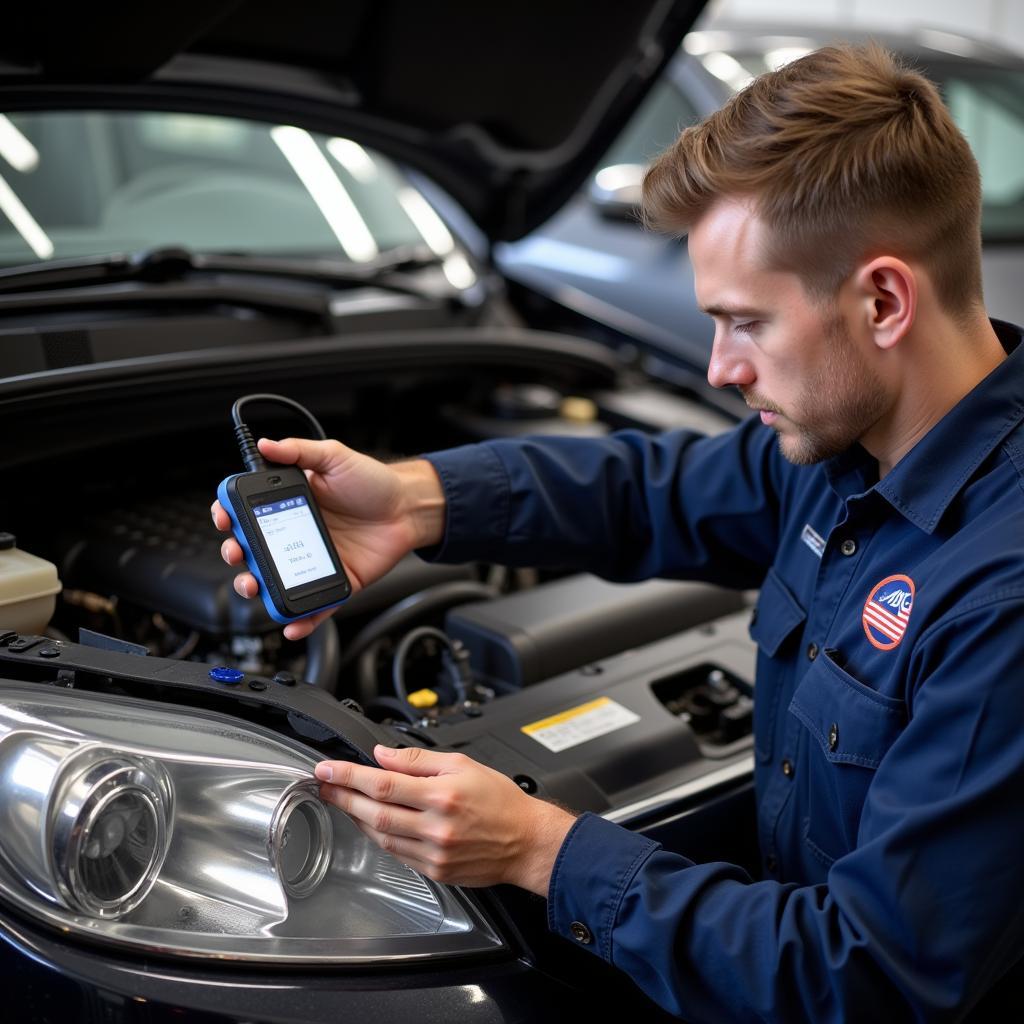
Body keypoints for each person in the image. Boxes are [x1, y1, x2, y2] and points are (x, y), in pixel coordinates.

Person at [212, 44, 1024, 1022]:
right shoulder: (859, 446)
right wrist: (417, 499)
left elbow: (862, 973)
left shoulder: (1000, 596)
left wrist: (536, 848)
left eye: (744, 323)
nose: (718, 368)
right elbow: (650, 490)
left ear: (884, 301)